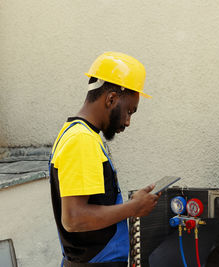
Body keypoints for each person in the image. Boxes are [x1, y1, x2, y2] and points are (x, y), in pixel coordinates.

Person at [49, 52, 160, 267]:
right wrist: (133, 208)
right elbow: (74, 218)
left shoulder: (81, 135)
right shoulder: (81, 140)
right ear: (111, 99)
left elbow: (93, 205)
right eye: (129, 111)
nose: (128, 122)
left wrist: (132, 203)